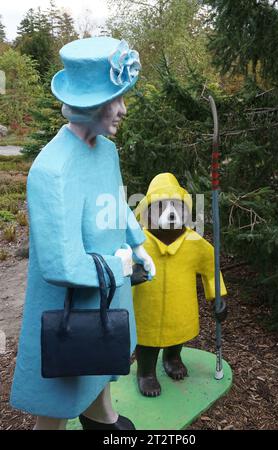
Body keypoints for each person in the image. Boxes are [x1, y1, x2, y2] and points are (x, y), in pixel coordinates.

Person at [10, 36, 155, 430]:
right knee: (61, 391)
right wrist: (120, 263)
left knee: (102, 361)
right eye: (116, 100)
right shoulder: (51, 171)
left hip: (108, 292)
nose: (123, 110)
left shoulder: (107, 151)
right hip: (70, 305)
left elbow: (117, 202)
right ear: (89, 103)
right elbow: (61, 264)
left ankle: (102, 415)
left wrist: (138, 244)